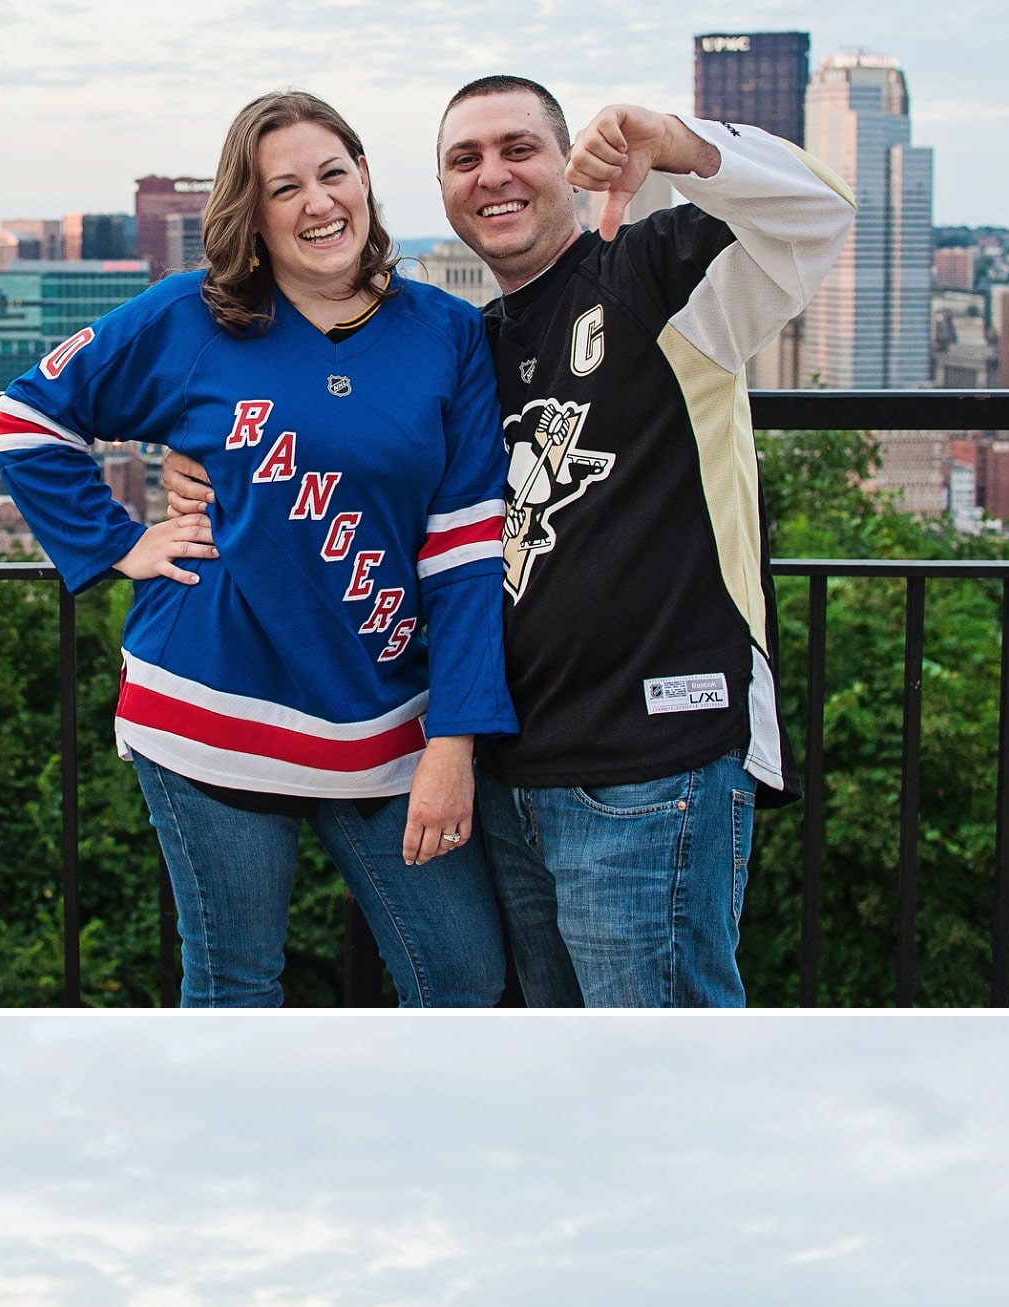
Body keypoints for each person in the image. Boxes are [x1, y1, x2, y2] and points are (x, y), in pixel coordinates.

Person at [164, 84, 855, 1005]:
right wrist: (201, 461)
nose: (493, 175)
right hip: (510, 779)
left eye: (518, 148)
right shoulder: (461, 345)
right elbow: (347, 474)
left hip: (652, 766)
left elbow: (819, 212)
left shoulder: (654, 275)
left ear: (568, 162)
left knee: (661, 1078)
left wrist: (678, 143)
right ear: (440, 191)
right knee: (556, 1074)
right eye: (464, 159)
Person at [0, 90, 515, 1008]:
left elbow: (466, 549)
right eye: (285, 188)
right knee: (235, 987)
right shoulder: (189, 318)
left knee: (464, 976)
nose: (318, 203)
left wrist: (455, 740)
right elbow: (26, 418)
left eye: (333, 174)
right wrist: (124, 543)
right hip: (208, 707)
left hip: (388, 723)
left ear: (365, 181)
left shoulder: (448, 333)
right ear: (253, 214)